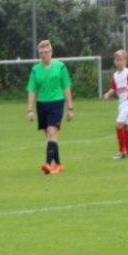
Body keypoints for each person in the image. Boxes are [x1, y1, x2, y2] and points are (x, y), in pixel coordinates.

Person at [26, 40, 74, 174]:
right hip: (41, 104)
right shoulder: (35, 70)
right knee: (50, 136)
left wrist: (70, 108)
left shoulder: (61, 67)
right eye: (41, 53)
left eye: (46, 52)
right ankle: (58, 164)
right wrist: (30, 110)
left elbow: (66, 87)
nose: (43, 55)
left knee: (52, 132)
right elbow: (32, 90)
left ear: (51, 52)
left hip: (57, 102)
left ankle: (47, 163)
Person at [102, 50, 128, 160]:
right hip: (121, 104)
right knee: (125, 126)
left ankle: (122, 151)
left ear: (125, 61)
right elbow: (113, 88)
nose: (119, 62)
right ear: (114, 61)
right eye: (117, 60)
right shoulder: (115, 75)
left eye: (121, 60)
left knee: (118, 124)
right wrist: (107, 94)